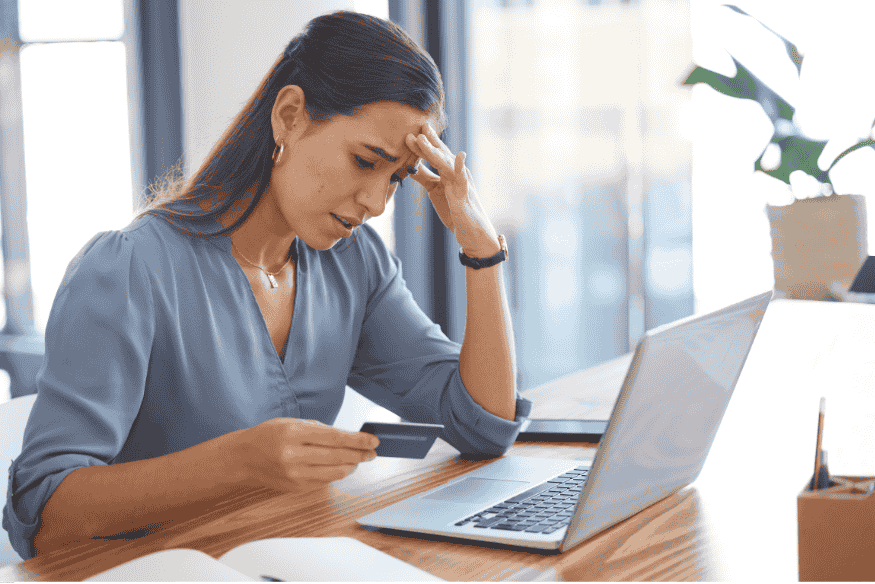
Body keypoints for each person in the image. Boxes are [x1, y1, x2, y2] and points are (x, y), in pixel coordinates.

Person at [2, 10, 531, 560]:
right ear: (290, 116)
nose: (375, 204)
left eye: (395, 179)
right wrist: (238, 463)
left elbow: (482, 426)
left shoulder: (354, 264)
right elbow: (45, 514)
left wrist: (481, 246)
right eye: (364, 161)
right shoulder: (130, 269)